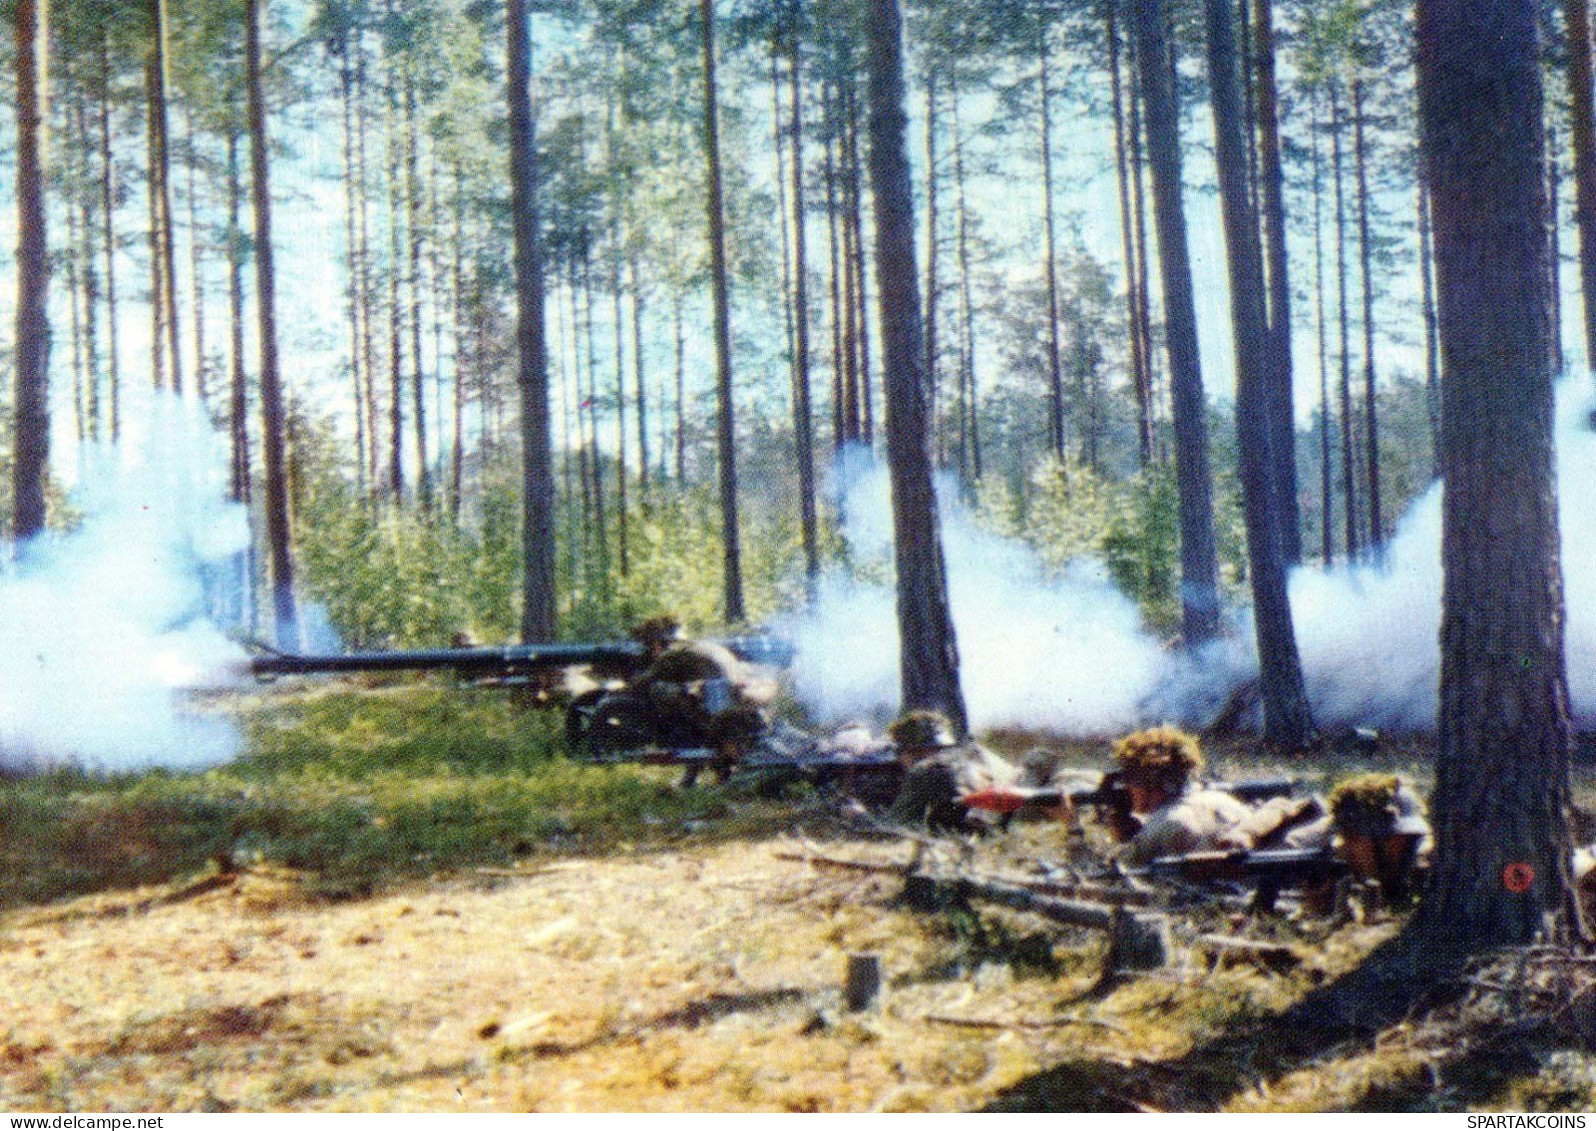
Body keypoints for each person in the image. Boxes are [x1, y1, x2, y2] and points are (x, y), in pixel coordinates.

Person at [1104, 725, 1255, 866]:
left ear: (1145, 783)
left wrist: (1122, 840)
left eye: (1129, 779)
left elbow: (1118, 874)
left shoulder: (1162, 825)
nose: (1126, 787)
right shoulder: (1225, 800)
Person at [626, 614, 775, 747]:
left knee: (658, 689)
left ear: (657, 644)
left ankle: (681, 739)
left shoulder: (673, 653)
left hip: (721, 714)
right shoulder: (704, 646)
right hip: (744, 705)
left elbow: (641, 685)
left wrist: (622, 687)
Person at [885, 709, 1018, 834]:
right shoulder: (983, 756)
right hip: (1002, 832)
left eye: (900, 753)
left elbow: (893, 827)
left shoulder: (926, 769)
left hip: (958, 838)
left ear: (913, 752)